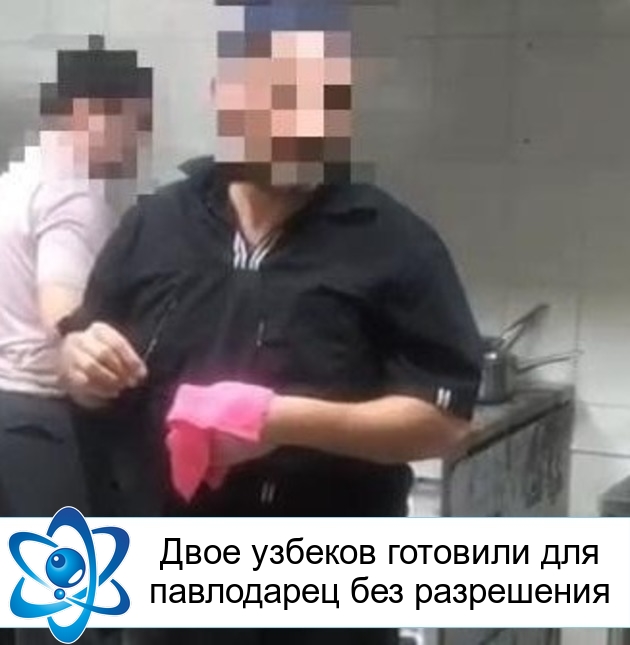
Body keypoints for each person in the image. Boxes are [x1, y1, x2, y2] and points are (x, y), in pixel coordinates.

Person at [59, 2, 482, 644]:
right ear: (224, 98)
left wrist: (278, 421)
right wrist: (81, 363)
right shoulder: (156, 224)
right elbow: (86, 363)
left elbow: (445, 422)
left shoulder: (394, 243)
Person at [0, 35, 152, 645]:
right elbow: (60, 298)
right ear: (92, 111)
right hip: (44, 425)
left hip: (7, 415)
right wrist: (82, 336)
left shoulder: (17, 178)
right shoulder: (74, 192)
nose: (136, 143)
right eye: (135, 124)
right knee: (65, 623)